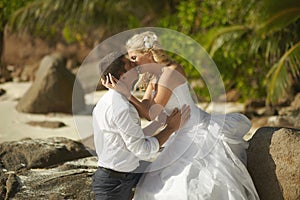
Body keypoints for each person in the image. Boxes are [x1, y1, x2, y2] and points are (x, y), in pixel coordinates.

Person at [103, 31, 260, 199]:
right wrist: (123, 92)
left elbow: (151, 112)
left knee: (190, 185)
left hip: (195, 131)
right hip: (179, 133)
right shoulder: (153, 76)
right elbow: (146, 107)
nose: (133, 64)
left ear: (148, 53)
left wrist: (126, 94)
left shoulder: (170, 72)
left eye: (134, 58)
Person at [92, 52, 191, 200]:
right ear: (122, 75)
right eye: (130, 65)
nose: (135, 66)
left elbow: (132, 137)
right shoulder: (121, 107)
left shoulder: (109, 100)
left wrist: (158, 124)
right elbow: (142, 150)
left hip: (124, 175)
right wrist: (170, 129)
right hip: (113, 185)